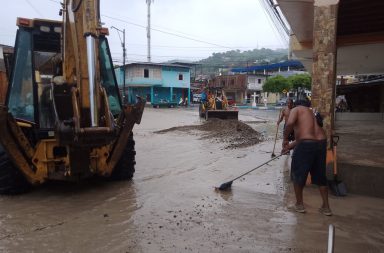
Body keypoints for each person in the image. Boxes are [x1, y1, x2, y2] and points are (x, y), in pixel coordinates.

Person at [282, 100, 332, 216]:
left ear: (296, 105)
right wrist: (289, 147)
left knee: (298, 173)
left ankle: (299, 205)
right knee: (320, 175)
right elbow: (306, 137)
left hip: (306, 144)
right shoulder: (312, 113)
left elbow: (289, 124)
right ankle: (326, 207)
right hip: (321, 143)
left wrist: (285, 139)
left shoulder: (296, 109)